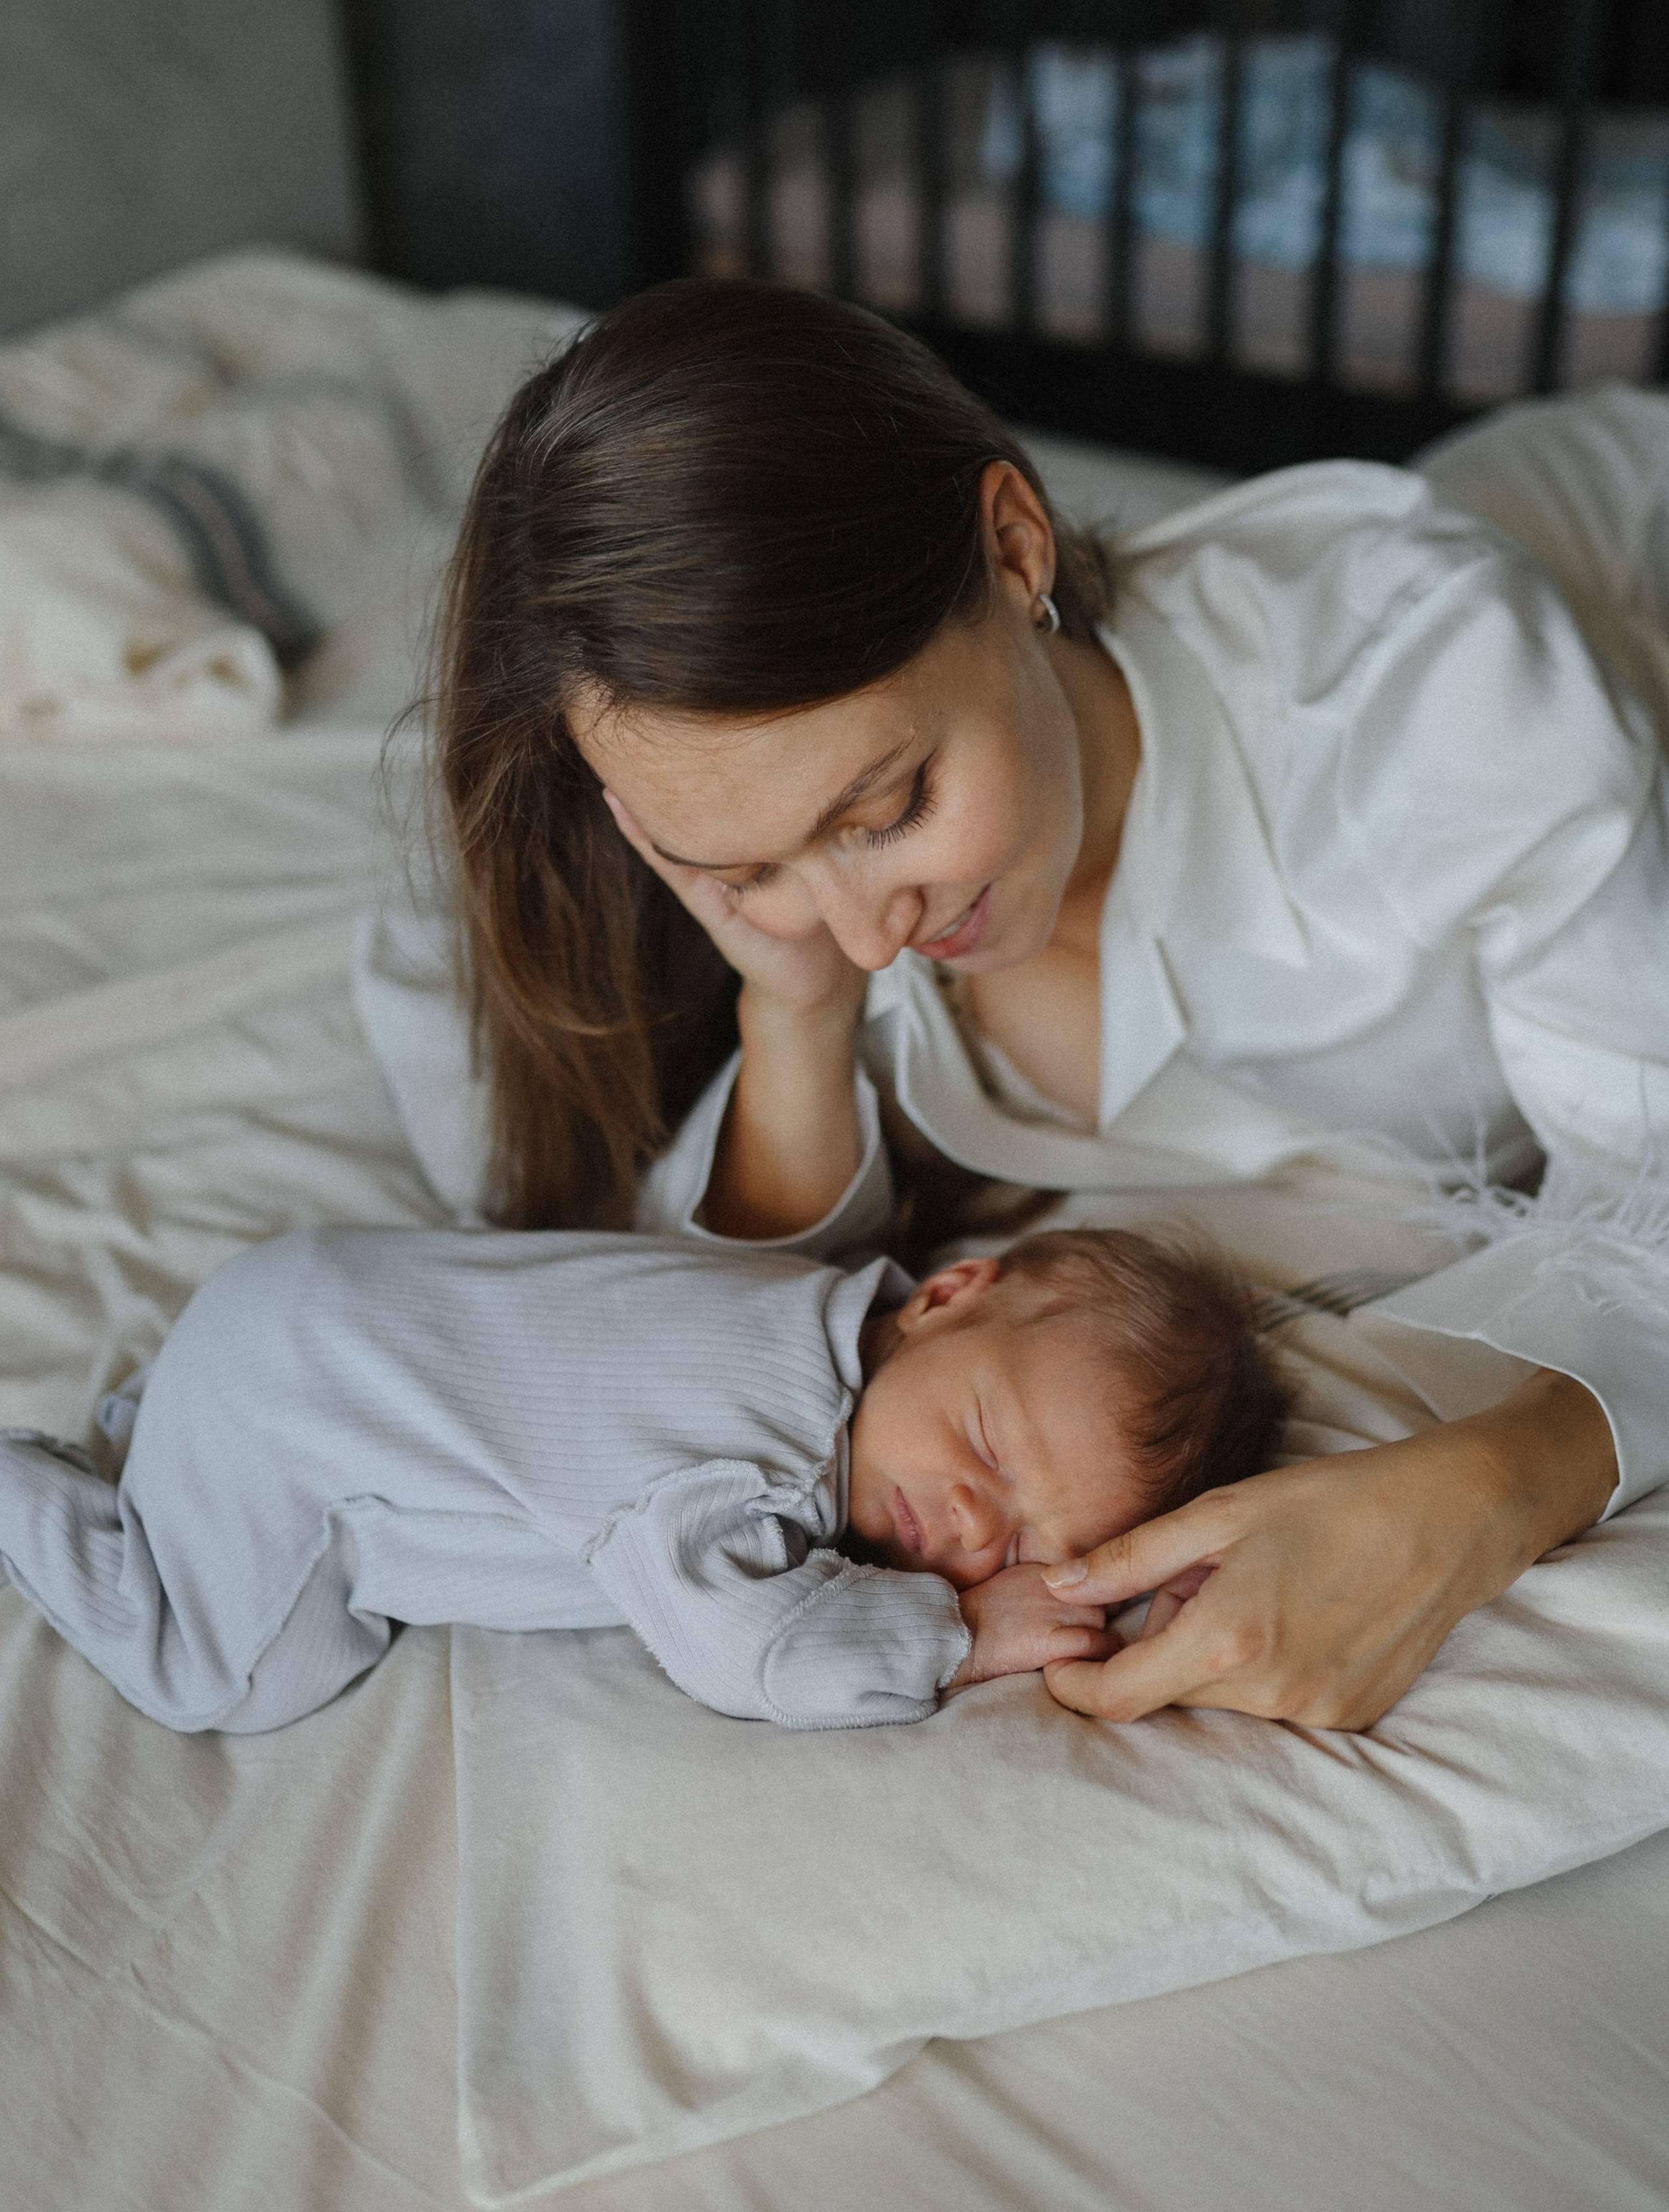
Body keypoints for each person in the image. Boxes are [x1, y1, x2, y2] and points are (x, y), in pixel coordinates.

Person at [364, 276, 1666, 1735]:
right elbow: (714, 1331)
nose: (871, 930)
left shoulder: (1439, 698)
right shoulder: (783, 898)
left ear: (1010, 546)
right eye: (746, 865)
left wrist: (1480, 1493)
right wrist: (787, 1008)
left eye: (890, 806)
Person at [0, 1224, 1285, 1735]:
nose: (963, 1518)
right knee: (225, 1676)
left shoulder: (796, 1306)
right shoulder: (759, 1453)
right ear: (951, 1293)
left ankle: (143, 1433)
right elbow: (749, 1656)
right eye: (990, 1451)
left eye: (1011, 1544)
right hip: (289, 1424)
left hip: (286, 1304)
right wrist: (955, 1628)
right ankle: (41, 1493)